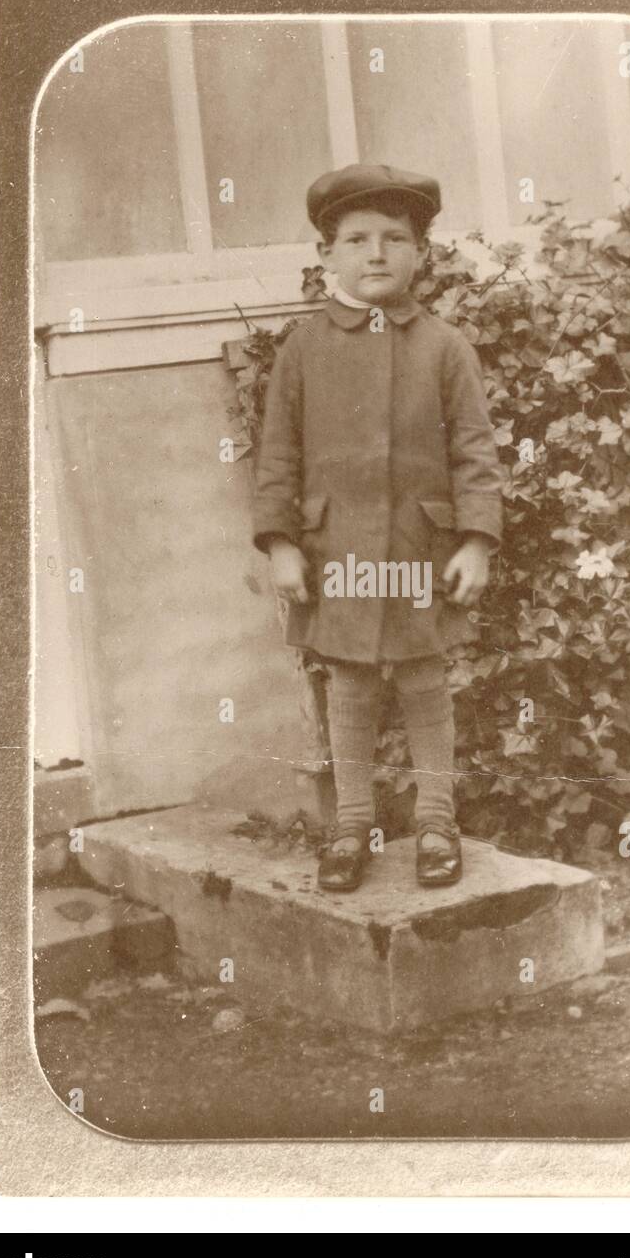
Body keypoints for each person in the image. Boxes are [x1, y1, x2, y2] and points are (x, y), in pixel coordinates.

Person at [252, 163, 503, 892]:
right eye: (356, 239)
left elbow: (475, 452)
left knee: (426, 681)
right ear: (325, 255)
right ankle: (351, 825)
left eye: (396, 238)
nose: (377, 254)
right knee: (352, 684)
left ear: (421, 253)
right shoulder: (303, 349)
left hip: (422, 550)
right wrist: (281, 543)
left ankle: (435, 823)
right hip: (336, 554)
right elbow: (279, 455)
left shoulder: (444, 346)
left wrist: (477, 540)